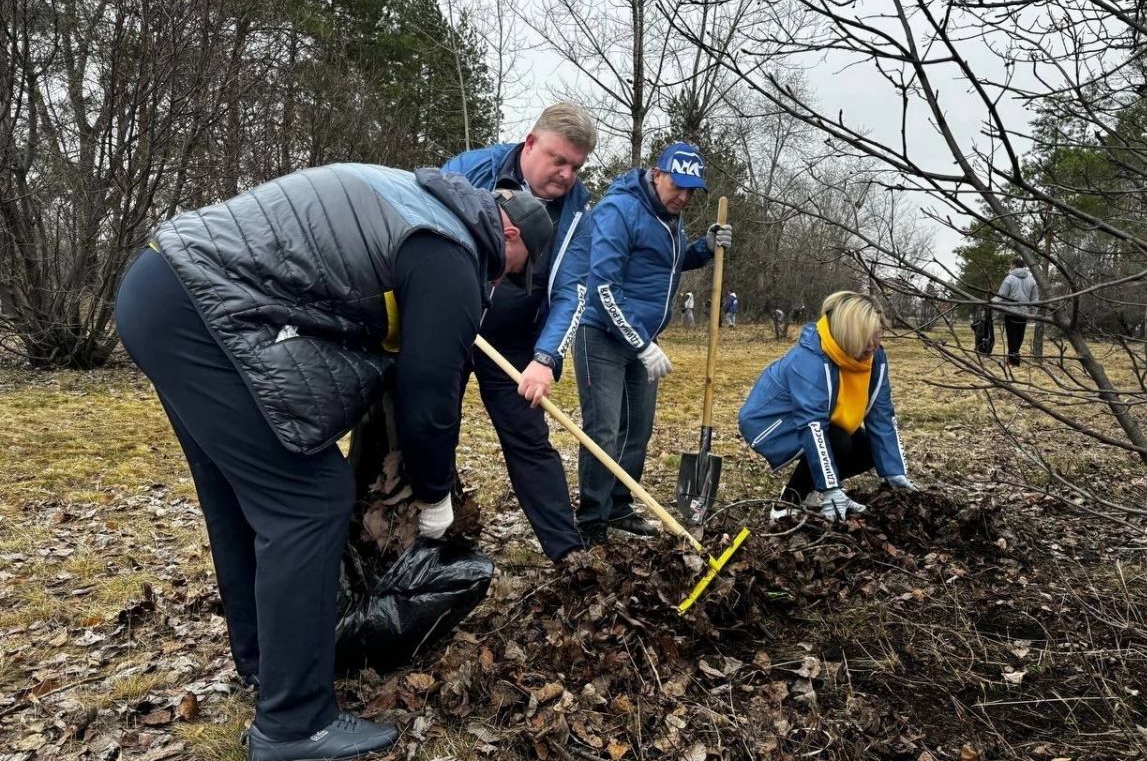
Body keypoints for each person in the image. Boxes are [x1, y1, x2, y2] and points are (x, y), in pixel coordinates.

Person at [115, 165, 553, 761]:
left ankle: (267, 669)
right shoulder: (453, 251)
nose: (499, 284)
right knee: (308, 500)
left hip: (161, 287)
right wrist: (435, 497)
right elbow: (431, 395)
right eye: (510, 270)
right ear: (507, 235)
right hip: (199, 308)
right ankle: (293, 725)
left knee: (240, 496)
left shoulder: (418, 200)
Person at [443, 103, 596, 562]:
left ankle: (568, 554)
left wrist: (545, 358)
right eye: (558, 160)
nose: (567, 174)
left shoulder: (577, 213)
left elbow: (573, 291)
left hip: (514, 340)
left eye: (576, 166)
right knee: (433, 429)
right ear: (530, 143)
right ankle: (432, 540)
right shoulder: (470, 172)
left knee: (529, 440)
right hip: (449, 323)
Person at [574, 142, 733, 546]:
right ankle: (592, 520)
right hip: (601, 336)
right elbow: (604, 288)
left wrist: (704, 247)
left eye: (691, 191)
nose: (683, 197)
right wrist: (642, 343)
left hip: (641, 340)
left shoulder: (669, 216)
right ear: (657, 173)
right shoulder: (619, 211)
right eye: (677, 186)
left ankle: (619, 504)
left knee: (638, 430)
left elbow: (664, 263)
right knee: (604, 431)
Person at [738, 291, 916, 523]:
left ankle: (811, 492)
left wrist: (895, 471)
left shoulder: (875, 358)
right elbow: (811, 425)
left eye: (878, 334)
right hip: (772, 423)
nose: (873, 344)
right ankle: (786, 505)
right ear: (848, 333)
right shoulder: (810, 359)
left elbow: (881, 414)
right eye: (865, 336)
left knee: (868, 447)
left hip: (822, 421)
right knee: (838, 441)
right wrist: (832, 487)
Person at [992, 256, 1039, 367]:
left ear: (1013, 265)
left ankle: (1013, 361)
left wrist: (991, 302)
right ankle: (1014, 359)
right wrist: (1033, 313)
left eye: (1010, 265)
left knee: (1012, 337)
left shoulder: (1009, 278)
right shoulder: (1032, 280)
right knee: (1019, 337)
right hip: (1024, 313)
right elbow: (1035, 299)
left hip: (1010, 312)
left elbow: (1001, 296)